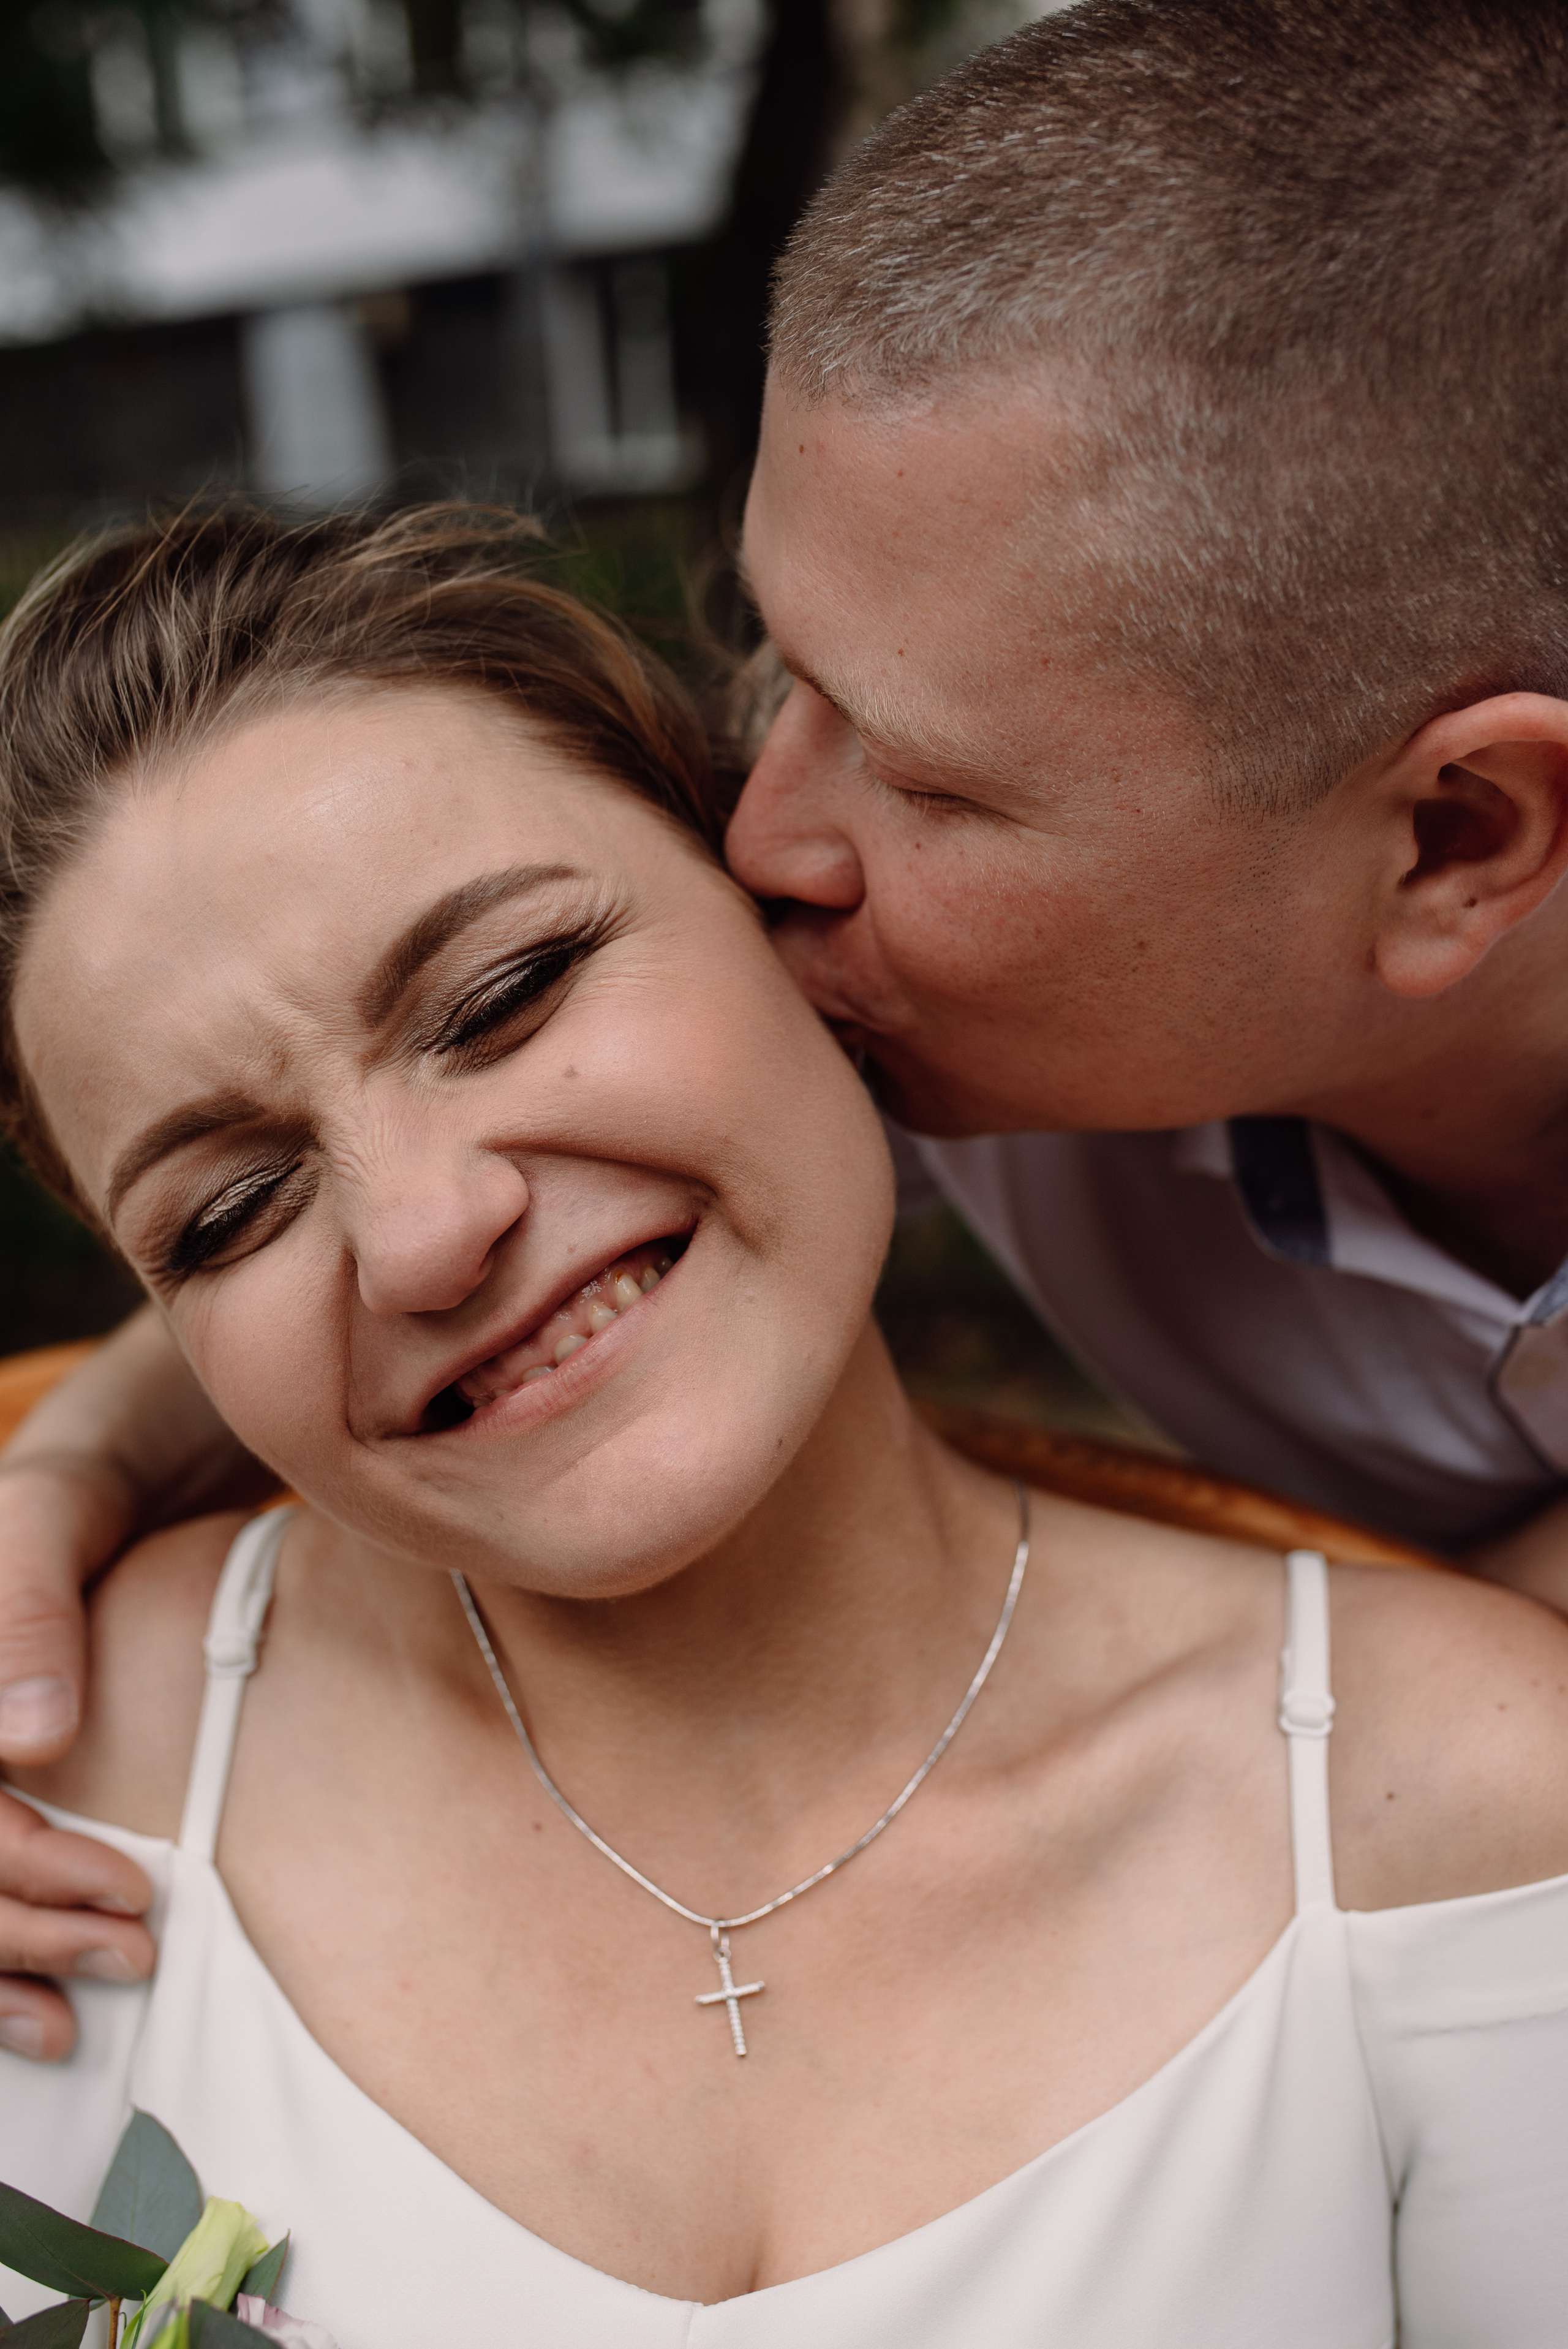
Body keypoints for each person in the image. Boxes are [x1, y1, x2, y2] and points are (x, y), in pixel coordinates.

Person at [4, 0, 1568, 2036]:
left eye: (924, 780)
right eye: (772, 661)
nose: (761, 832)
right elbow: (447, 1207)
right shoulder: (924, 991)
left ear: (1452, 837)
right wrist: (65, 1476)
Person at [1, 502, 1567, 2349]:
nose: (425, 1233)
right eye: (227, 1210)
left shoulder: (1451, 1791)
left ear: (794, 934)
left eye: (502, 996)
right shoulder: (72, 1787)